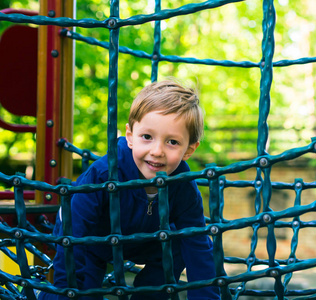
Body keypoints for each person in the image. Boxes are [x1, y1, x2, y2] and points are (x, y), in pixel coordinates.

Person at [38, 80, 220, 300]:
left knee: (181, 241)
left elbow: (197, 245)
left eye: (172, 142)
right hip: (90, 238)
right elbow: (74, 234)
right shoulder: (104, 174)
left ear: (189, 149)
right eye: (147, 137)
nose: (157, 151)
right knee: (80, 287)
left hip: (143, 240)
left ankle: (149, 295)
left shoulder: (183, 185)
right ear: (130, 136)